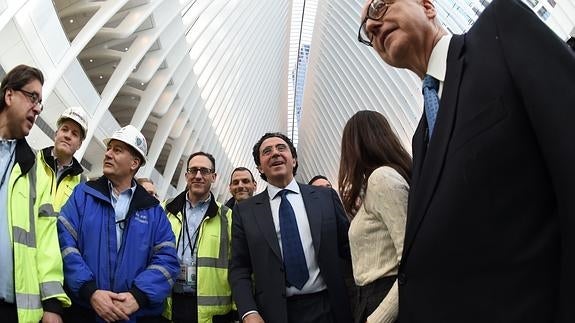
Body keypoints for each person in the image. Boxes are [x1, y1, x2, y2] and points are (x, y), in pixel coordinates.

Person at [359, 0, 575, 321]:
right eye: (365, 30)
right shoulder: (422, 137)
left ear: (428, 6)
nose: (372, 27)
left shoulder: (499, 32)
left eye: (378, 6)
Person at [57, 125, 179, 322]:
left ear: (134, 163)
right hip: (85, 312)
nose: (108, 154)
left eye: (117, 150)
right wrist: (91, 291)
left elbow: (167, 260)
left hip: (134, 316)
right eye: (109, 148)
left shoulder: (154, 212)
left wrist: (138, 296)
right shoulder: (83, 195)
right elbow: (65, 243)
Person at [229, 132, 352, 323]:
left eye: (281, 148)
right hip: (274, 314)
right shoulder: (245, 212)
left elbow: (349, 249)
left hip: (329, 309)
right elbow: (239, 268)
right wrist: (248, 312)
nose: (275, 154)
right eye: (267, 151)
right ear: (260, 167)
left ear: (293, 160)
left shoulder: (325, 198)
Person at [0, 64, 71, 322]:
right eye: (33, 97)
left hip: (12, 310)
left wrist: (52, 305)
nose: (38, 108)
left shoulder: (35, 171)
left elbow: (47, 241)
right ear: (9, 95)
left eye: (40, 102)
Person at [338, 110, 411, 323]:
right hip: (372, 300)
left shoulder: (382, 179)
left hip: (386, 300)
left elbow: (409, 259)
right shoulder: (374, 183)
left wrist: (378, 319)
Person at [162, 151, 235, 323]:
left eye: (205, 171)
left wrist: (238, 310)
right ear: (186, 175)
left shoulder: (227, 217)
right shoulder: (164, 210)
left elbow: (239, 266)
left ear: (214, 177)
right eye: (193, 170)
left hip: (210, 312)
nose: (198, 176)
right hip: (169, 305)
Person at [38, 106, 88, 211]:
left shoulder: (82, 184)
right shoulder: (32, 160)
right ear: (56, 134)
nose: (68, 136)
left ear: (79, 144)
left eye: (74, 134)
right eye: (65, 129)